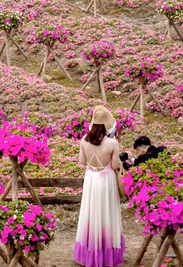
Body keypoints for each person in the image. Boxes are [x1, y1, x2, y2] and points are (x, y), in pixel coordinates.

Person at [74, 106, 125, 267]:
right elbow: (116, 165)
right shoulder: (112, 143)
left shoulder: (84, 140)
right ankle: (107, 252)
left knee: (90, 213)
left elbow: (82, 162)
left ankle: (90, 252)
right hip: (106, 179)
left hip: (91, 180)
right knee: (107, 213)